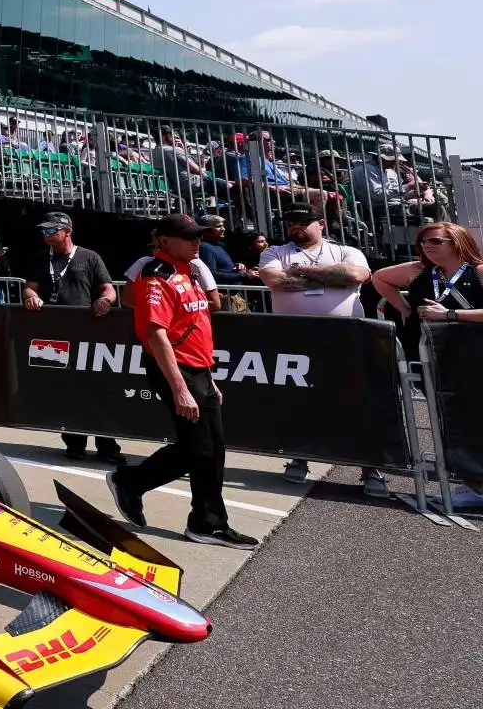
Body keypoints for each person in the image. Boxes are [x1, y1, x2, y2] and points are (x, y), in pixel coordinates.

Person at [109, 215, 257, 550]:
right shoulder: (154, 277)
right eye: (188, 237)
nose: (196, 242)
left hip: (198, 369)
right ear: (163, 240)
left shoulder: (189, 271)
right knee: (201, 449)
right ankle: (205, 522)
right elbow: (155, 333)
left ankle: (133, 483)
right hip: (175, 369)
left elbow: (197, 324)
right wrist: (179, 387)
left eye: (198, 237)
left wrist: (207, 375)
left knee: (209, 448)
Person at [257, 202, 382, 496]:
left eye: (303, 221)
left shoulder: (345, 250)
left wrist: (303, 271)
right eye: (290, 222)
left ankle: (369, 466)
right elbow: (275, 280)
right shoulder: (274, 252)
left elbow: (355, 276)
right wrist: (329, 276)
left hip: (346, 337)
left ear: (320, 223)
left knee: (357, 400)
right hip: (296, 339)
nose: (296, 227)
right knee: (302, 401)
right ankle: (300, 456)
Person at [371, 222, 483, 509]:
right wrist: (404, 308)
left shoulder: (478, 271)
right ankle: (473, 483)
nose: (427, 247)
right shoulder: (419, 271)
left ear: (456, 240)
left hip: (474, 354)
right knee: (452, 418)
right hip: (434, 354)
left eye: (435, 241)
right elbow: (379, 277)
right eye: (423, 242)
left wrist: (451, 315)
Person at [21, 212, 123, 463]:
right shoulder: (38, 259)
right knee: (66, 392)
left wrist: (105, 301)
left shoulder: (89, 257)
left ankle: (107, 445)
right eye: (43, 231)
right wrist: (30, 297)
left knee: (97, 390)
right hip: (54, 336)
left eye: (51, 230)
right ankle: (75, 442)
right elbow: (29, 287)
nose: (46, 235)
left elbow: (107, 288)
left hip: (88, 334)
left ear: (67, 231)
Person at [196, 215, 248, 286]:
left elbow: (223, 267)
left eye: (223, 226)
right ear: (206, 230)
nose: (223, 229)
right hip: (224, 294)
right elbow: (212, 274)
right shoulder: (205, 247)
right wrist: (245, 275)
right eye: (218, 226)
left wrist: (236, 266)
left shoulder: (219, 245)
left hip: (232, 292)